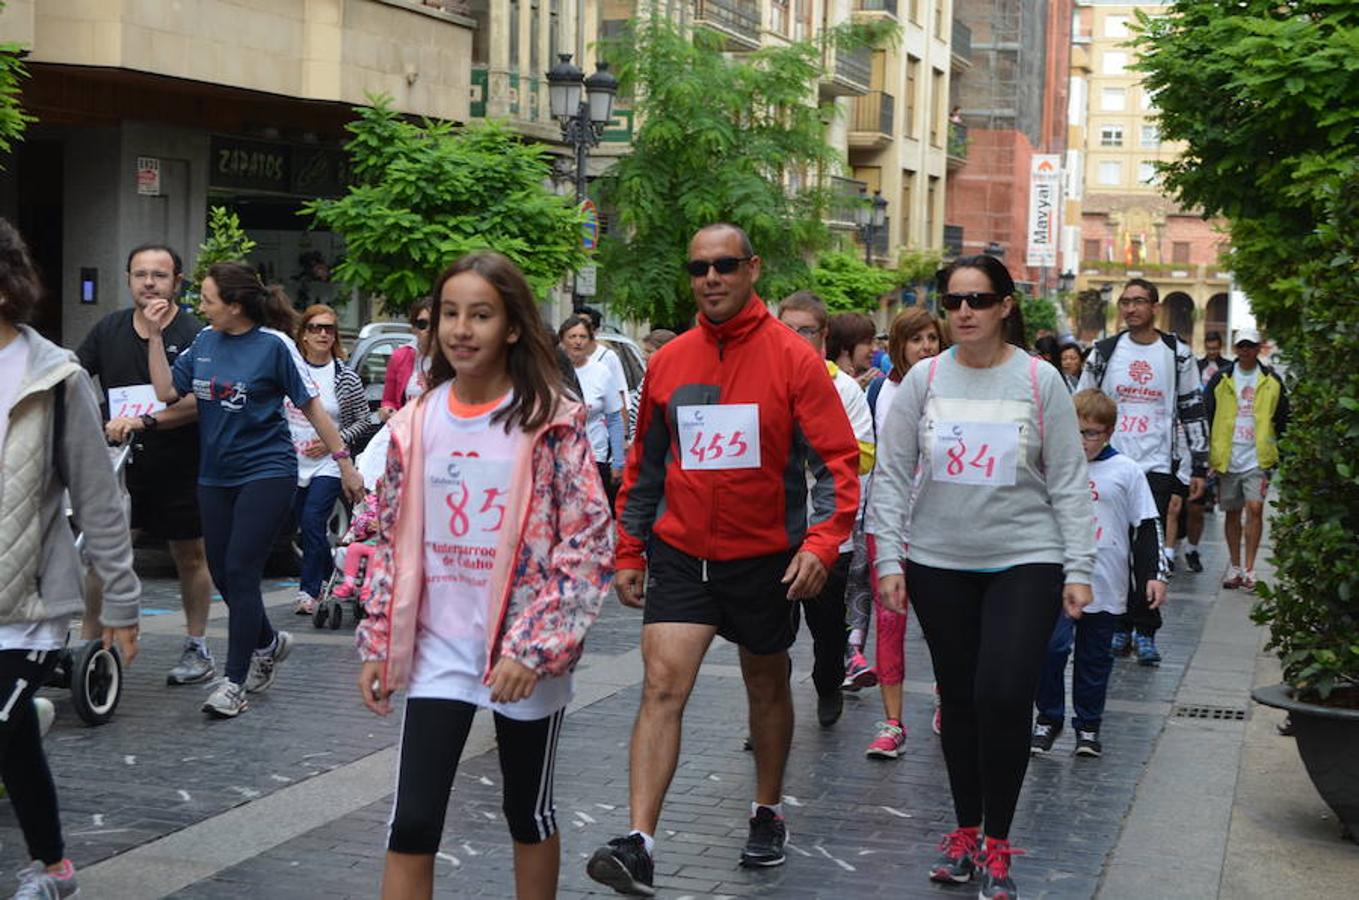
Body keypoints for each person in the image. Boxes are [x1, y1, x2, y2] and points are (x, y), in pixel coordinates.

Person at [586, 224, 859, 895]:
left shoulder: (792, 360)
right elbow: (645, 464)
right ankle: (639, 842)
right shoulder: (671, 360)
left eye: (724, 265)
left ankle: (766, 810)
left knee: (764, 685)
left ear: (751, 269)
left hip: (765, 558)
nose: (710, 277)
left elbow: (835, 466)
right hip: (681, 553)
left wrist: (821, 544)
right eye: (698, 266)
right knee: (660, 684)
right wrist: (630, 547)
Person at [356, 251, 612, 900]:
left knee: (527, 813)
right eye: (448, 314)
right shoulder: (417, 421)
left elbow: (585, 545)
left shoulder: (550, 420)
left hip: (519, 652)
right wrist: (380, 641)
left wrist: (533, 648)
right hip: (437, 650)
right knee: (411, 823)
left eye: (480, 315)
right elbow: (382, 534)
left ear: (513, 327)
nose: (461, 329)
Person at [867, 254, 1095, 900]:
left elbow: (1069, 481)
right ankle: (966, 834)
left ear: (1004, 306)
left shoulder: (1039, 379)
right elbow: (891, 471)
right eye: (953, 299)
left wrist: (1077, 567)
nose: (963, 311)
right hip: (938, 562)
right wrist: (888, 558)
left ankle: (999, 842)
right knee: (960, 700)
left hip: (1026, 557)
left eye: (977, 299)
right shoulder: (923, 380)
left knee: (1001, 692)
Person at [146, 262, 364, 718]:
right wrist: (152, 335)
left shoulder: (275, 345)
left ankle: (233, 682)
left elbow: (314, 408)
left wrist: (344, 463)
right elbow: (167, 391)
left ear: (235, 305)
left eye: (207, 300)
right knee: (223, 573)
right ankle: (267, 641)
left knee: (242, 570)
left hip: (267, 471)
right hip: (214, 475)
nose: (200, 308)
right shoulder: (204, 341)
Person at [0, 217, 141, 900]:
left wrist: (120, 601)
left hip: (25, 603)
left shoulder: (54, 376)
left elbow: (97, 497)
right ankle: (54, 864)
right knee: (11, 736)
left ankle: (48, 869)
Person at [76, 242, 215, 686]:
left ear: (177, 281)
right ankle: (90, 650)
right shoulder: (109, 329)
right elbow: (76, 378)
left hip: (179, 463)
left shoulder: (196, 334)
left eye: (159, 274)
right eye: (141, 274)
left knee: (190, 554)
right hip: (119, 466)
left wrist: (143, 420)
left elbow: (199, 401)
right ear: (129, 279)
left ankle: (197, 645)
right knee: (103, 556)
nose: (149, 282)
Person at [1077, 278, 1209, 665]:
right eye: (1125, 302)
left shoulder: (1177, 354)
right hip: (1111, 461)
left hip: (1154, 464)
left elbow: (1191, 407)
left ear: (1154, 306)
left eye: (1138, 302)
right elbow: (1081, 403)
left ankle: (1146, 627)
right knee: (1115, 546)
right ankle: (1119, 624)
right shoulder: (1103, 352)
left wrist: (1197, 464)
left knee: (1146, 547)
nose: (1131, 309)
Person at [1032, 390, 1167, 758]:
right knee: (1051, 648)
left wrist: (1155, 574)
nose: (1083, 441)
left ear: (1108, 432)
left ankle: (1088, 727)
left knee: (1095, 658)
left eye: (1091, 433)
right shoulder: (1051, 467)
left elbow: (1147, 525)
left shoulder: (1127, 471)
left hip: (1106, 583)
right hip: (1057, 581)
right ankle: (1049, 717)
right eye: (1076, 432)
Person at [777, 291, 875, 727]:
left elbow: (862, 456)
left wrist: (809, 449)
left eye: (806, 331)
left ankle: (828, 683)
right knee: (768, 634)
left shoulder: (843, 389)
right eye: (787, 329)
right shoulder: (762, 379)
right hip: (773, 528)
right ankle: (768, 712)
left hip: (827, 528)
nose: (795, 339)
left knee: (827, 628)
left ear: (823, 336)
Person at [860, 306, 944, 759]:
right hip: (888, 522)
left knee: (943, 624)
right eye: (916, 339)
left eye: (932, 338)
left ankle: (945, 697)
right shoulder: (881, 390)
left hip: (938, 524)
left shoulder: (952, 389)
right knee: (890, 621)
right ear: (899, 345)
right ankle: (891, 722)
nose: (926, 347)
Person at [287, 304, 375, 615]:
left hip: (330, 463)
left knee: (313, 520)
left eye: (329, 329)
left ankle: (308, 592)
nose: (323, 334)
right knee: (305, 526)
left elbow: (365, 421)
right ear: (304, 335)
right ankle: (328, 573)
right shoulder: (291, 369)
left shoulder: (345, 376)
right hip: (292, 462)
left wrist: (331, 446)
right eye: (316, 328)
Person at [1204, 328, 1289, 592]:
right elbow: (1207, 412)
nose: (1245, 350)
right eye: (1241, 346)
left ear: (1258, 348)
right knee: (1232, 512)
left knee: (1255, 509)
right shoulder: (1221, 378)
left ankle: (1250, 568)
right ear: (1236, 348)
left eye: (1250, 346)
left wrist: (1280, 453)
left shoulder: (1272, 380)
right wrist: (1208, 453)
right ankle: (1235, 565)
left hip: (1257, 457)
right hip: (1228, 456)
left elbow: (1283, 418)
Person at [558, 315, 626, 512]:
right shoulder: (551, 372)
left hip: (595, 456)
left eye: (582, 337)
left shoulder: (601, 372)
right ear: (562, 340)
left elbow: (614, 419)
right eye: (572, 337)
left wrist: (618, 462)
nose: (577, 342)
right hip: (561, 456)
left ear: (590, 341)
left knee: (593, 512)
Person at [1184, 331, 1228, 573]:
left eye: (1215, 347)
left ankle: (1192, 547)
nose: (1211, 351)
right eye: (1208, 347)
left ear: (1220, 346)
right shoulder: (1195, 367)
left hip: (1212, 432)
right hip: (1188, 435)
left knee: (1197, 504)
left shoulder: (1226, 370)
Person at [379, 297, 434, 421]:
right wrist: (388, 410)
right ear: (413, 328)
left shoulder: (453, 359)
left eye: (435, 323)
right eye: (422, 324)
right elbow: (389, 400)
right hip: (406, 432)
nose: (429, 329)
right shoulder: (400, 356)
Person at [581, 305, 629, 431]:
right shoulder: (564, 357)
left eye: (585, 325)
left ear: (595, 331)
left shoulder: (607, 357)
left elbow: (620, 392)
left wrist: (623, 433)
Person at [626, 328, 677, 432]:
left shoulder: (677, 381)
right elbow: (635, 417)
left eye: (649, 351)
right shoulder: (648, 377)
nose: (644, 356)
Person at [827, 311, 880, 389]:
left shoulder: (872, 384)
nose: (875, 349)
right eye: (868, 343)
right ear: (845, 347)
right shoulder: (821, 381)